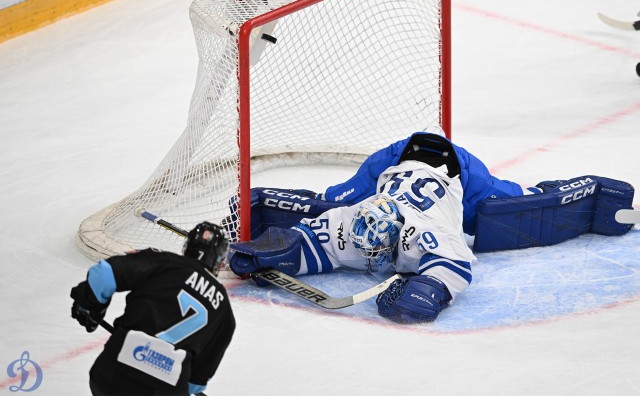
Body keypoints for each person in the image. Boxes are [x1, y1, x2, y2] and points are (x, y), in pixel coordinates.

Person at [228, 132, 634, 324]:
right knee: (333, 200)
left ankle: (584, 193)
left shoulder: (424, 233)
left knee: (516, 205)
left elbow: (455, 264)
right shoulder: (355, 219)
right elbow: (315, 237)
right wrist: (277, 250)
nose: (365, 257)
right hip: (391, 161)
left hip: (461, 174)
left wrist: (428, 290)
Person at [71, 222, 235, 396]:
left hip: (112, 375)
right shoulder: (224, 311)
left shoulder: (163, 261)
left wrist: (90, 305)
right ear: (219, 259)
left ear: (188, 245)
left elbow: (104, 275)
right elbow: (195, 384)